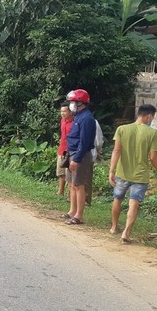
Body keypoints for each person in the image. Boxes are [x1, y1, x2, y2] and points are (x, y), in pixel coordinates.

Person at [108, 104, 157, 243]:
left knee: (118, 199)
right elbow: (153, 157)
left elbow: (116, 151)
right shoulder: (152, 133)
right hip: (140, 175)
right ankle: (126, 232)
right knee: (134, 203)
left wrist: (111, 170)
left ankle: (114, 227)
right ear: (149, 116)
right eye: (153, 117)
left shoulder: (122, 129)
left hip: (122, 172)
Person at [62, 89, 97, 225]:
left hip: (79, 155)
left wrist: (76, 158)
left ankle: (79, 215)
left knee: (79, 185)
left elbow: (85, 141)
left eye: (72, 102)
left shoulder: (87, 118)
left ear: (79, 103)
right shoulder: (78, 116)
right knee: (71, 184)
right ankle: (72, 211)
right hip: (72, 152)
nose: (71, 105)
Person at [56, 102, 73, 196]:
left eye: (65, 111)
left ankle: (70, 195)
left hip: (70, 150)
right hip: (62, 149)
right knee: (61, 172)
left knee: (70, 174)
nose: (62, 113)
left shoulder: (75, 122)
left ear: (70, 111)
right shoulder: (62, 120)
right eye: (61, 111)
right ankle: (60, 191)